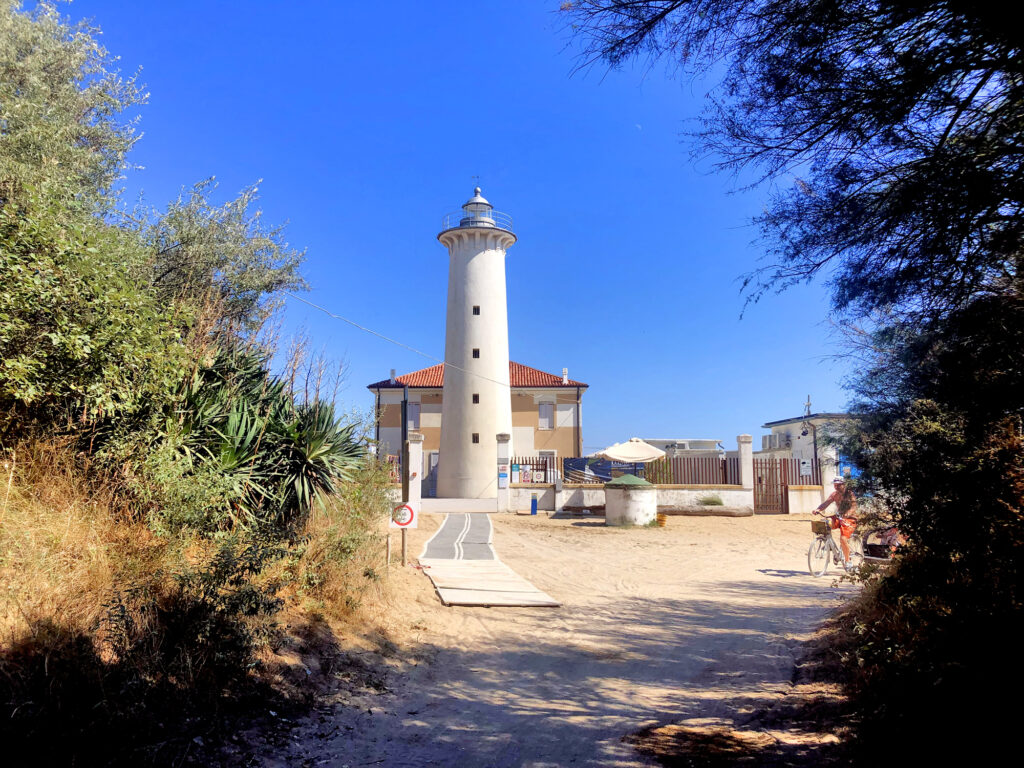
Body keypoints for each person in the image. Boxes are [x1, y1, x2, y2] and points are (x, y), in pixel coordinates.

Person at [816, 476, 858, 565]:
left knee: (843, 539)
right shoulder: (834, 494)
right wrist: (818, 509)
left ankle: (848, 560)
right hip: (839, 517)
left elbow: (854, 506)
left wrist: (848, 514)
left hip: (850, 519)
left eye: (839, 485)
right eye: (835, 485)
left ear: (844, 485)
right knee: (824, 522)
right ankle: (828, 543)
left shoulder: (849, 494)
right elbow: (826, 503)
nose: (836, 487)